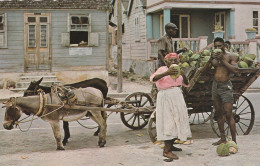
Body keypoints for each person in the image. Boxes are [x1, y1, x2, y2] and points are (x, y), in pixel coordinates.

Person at [150, 53, 192, 160]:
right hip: (166, 97)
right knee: (169, 122)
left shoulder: (179, 70)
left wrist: (183, 74)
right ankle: (166, 151)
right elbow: (153, 79)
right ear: (166, 62)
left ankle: (171, 145)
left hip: (177, 96)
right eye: (171, 60)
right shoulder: (162, 69)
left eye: (175, 60)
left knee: (177, 121)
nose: (173, 62)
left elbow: (186, 84)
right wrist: (166, 73)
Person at [205, 37, 238, 145]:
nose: (217, 48)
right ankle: (223, 138)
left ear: (224, 46)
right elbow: (205, 69)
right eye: (215, 46)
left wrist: (223, 61)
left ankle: (234, 141)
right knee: (219, 114)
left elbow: (235, 70)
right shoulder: (214, 58)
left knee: (228, 114)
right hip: (216, 86)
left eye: (219, 46)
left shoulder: (230, 56)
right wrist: (210, 60)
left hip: (226, 86)